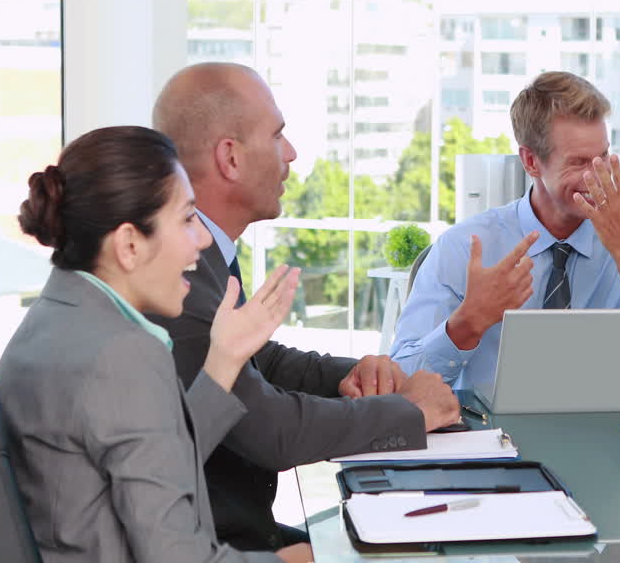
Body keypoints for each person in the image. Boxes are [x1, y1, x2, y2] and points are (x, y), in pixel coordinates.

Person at [151, 63, 460, 551]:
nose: (291, 153)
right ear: (230, 158)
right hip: (221, 543)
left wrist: (350, 375)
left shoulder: (209, 257)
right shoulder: (180, 278)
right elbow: (271, 430)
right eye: (277, 136)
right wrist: (408, 413)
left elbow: (257, 361)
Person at [0, 125, 311, 563]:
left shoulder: (52, 319)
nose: (203, 238)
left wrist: (223, 361)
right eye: (187, 219)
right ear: (129, 244)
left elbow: (152, 461)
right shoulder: (121, 354)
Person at [391, 71, 620, 390]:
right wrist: (468, 322)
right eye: (579, 162)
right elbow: (400, 379)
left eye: (603, 158)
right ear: (531, 161)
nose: (596, 177)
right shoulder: (464, 249)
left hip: (611, 420)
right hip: (486, 422)